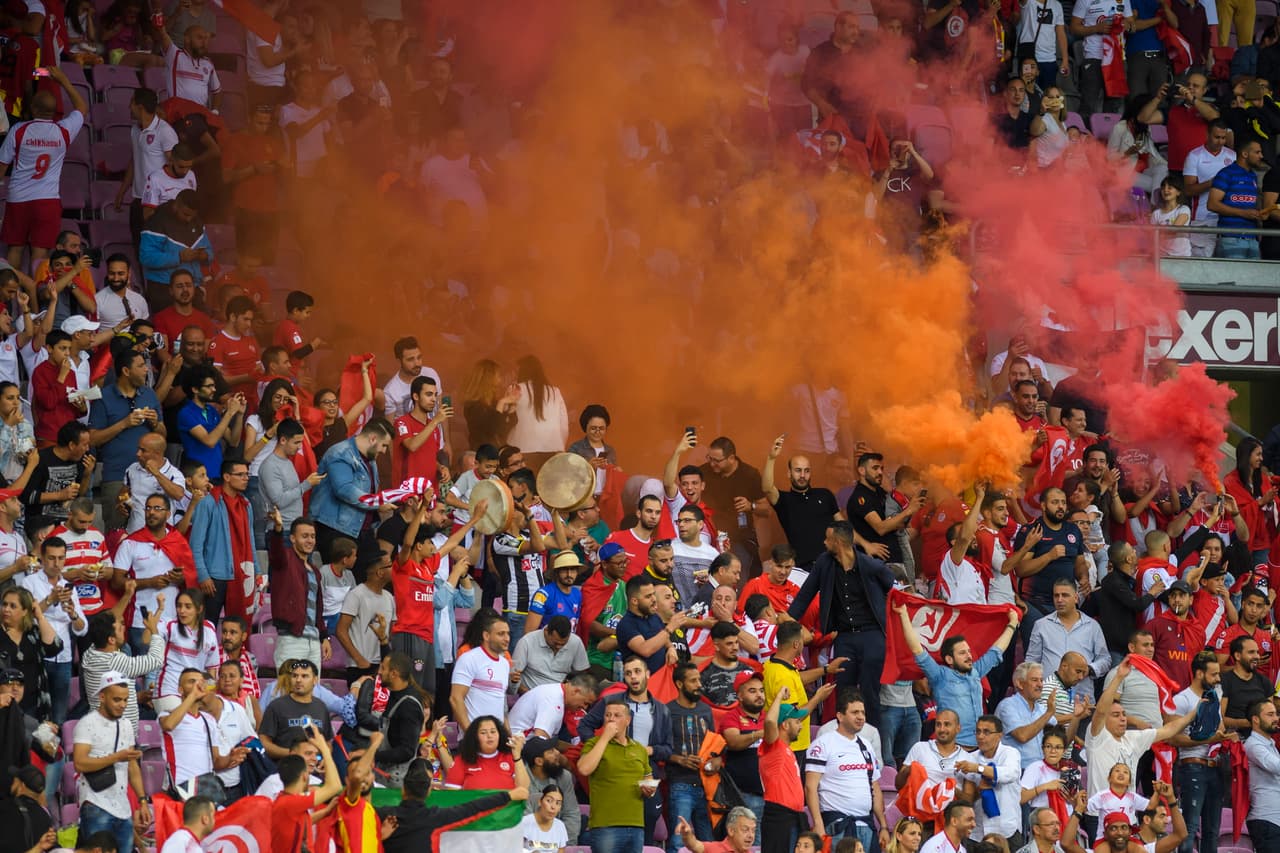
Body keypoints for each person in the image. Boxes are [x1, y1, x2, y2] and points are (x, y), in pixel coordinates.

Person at [789, 521, 893, 725]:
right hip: (844, 636)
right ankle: (843, 734)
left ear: (837, 542)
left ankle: (872, 739)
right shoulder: (824, 563)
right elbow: (806, 594)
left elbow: (893, 587)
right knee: (844, 689)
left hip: (872, 634)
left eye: (828, 539)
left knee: (870, 691)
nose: (824, 542)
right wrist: (788, 620)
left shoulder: (871, 566)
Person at [1084, 659, 1201, 830]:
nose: (1123, 718)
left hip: (1129, 819)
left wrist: (1194, 713)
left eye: (1124, 714)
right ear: (1105, 720)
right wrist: (1118, 677)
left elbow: (1168, 730)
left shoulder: (1134, 738)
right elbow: (1101, 710)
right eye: (1116, 715)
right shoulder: (1097, 737)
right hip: (1100, 817)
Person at [895, 599, 1019, 748]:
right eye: (962, 653)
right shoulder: (939, 675)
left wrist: (1012, 624)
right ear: (949, 659)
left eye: (968, 651)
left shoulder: (976, 671)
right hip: (954, 747)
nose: (969, 656)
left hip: (979, 748)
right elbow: (917, 649)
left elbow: (997, 650)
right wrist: (903, 615)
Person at [0, 66, 87, 271]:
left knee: (15, 248)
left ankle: (10, 298)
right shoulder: (63, 131)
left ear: (33, 108)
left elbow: (2, 167)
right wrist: (64, 81)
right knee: (40, 255)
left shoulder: (19, 130)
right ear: (53, 110)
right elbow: (82, 108)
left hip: (18, 198)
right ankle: (37, 300)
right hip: (47, 200)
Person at [73, 670, 152, 853]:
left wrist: (142, 801)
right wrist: (117, 757)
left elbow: (132, 766)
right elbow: (80, 763)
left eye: (125, 700)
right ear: (102, 696)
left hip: (123, 807)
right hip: (95, 803)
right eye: (117, 700)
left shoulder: (126, 724)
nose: (122, 705)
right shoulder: (87, 724)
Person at [379, 757, 528, 853]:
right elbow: (474, 807)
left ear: (403, 789)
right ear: (429, 791)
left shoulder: (383, 816)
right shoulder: (435, 818)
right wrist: (509, 795)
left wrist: (379, 836)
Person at [88, 348, 164, 531]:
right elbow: (92, 438)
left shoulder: (149, 394)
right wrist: (124, 423)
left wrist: (155, 423)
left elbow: (163, 435)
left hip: (150, 477)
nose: (146, 370)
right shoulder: (104, 397)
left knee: (151, 535)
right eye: (140, 366)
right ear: (126, 371)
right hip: (117, 477)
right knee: (117, 535)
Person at [805, 690, 889, 851]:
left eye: (863, 712)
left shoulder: (866, 745)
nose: (860, 717)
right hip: (837, 825)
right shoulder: (823, 744)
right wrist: (818, 824)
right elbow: (810, 787)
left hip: (866, 824)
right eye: (854, 712)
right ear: (840, 716)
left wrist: (883, 826)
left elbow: (875, 788)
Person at [17, 535, 86, 722]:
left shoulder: (67, 586)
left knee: (60, 714)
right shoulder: (29, 583)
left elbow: (82, 628)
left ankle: (58, 750)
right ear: (41, 557)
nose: (57, 563)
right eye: (52, 558)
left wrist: (73, 614)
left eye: (61, 558)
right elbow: (24, 618)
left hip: (63, 658)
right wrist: (50, 600)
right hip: (38, 656)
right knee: (34, 711)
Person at [310, 418, 393, 563]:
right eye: (384, 445)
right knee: (343, 582)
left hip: (361, 530)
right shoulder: (340, 453)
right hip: (337, 531)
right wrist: (377, 503)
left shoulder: (370, 457)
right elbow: (343, 489)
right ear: (373, 438)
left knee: (377, 571)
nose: (384, 451)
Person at [188, 458, 260, 624]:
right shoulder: (208, 503)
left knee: (237, 625)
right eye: (240, 474)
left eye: (247, 475)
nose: (246, 478)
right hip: (214, 576)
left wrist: (256, 570)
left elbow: (251, 540)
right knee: (207, 625)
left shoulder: (246, 504)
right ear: (227, 477)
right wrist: (203, 575)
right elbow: (196, 544)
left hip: (241, 573)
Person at [579, 696, 654, 853]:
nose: (611, 719)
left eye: (617, 715)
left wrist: (649, 789)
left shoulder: (639, 749)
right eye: (607, 715)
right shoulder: (594, 744)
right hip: (605, 826)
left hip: (636, 825)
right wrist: (605, 737)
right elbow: (584, 769)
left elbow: (648, 777)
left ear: (628, 720)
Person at [763, 436, 841, 570]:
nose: (803, 475)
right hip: (803, 569)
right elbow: (767, 488)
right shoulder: (784, 500)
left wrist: (866, 545)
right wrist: (771, 458)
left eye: (807, 471)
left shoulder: (825, 494)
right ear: (789, 473)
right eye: (798, 470)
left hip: (833, 563)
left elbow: (843, 527)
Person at [1028, 577, 1110, 701]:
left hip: (1082, 698)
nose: (1059, 600)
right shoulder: (1041, 625)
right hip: (1048, 699)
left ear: (1076, 598)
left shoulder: (1092, 626)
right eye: (1056, 596)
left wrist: (1090, 669)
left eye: (1065, 595)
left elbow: (1105, 659)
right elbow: (1031, 662)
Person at [81, 607, 164, 729]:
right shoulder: (115, 661)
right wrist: (154, 630)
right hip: (118, 731)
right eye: (120, 628)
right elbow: (156, 660)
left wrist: (136, 696)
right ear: (111, 639)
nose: (124, 629)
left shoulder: (90, 653)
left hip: (99, 726)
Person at [160, 668, 243, 786]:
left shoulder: (208, 719)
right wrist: (193, 696)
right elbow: (168, 725)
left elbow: (216, 761)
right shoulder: (167, 714)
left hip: (204, 788)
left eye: (200, 682)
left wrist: (229, 758)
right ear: (180, 689)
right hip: (178, 787)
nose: (197, 686)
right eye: (191, 682)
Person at [270, 722, 345, 853]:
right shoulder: (292, 802)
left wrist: (326, 811)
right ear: (305, 776)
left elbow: (302, 822)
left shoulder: (285, 800)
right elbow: (335, 786)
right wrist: (325, 749)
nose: (314, 759)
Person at [761, 686, 812, 853]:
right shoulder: (773, 747)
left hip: (794, 817)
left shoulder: (786, 749)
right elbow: (769, 721)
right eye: (796, 721)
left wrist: (818, 697)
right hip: (779, 816)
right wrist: (779, 697)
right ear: (784, 724)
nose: (801, 726)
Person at [959, 716, 1023, 846]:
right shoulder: (971, 758)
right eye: (978, 731)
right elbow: (967, 800)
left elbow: (1010, 774)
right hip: (978, 832)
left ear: (999, 735)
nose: (981, 736)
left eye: (986, 732)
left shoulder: (1010, 753)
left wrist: (978, 769)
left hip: (1007, 830)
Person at [335, 546, 394, 682]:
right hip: (360, 666)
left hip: (382, 667)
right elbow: (341, 630)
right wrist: (359, 659)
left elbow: (391, 632)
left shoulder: (389, 597)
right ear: (380, 572)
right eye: (390, 565)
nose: (393, 568)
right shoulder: (356, 595)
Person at [450, 610, 511, 729]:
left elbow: (499, 705)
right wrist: (470, 734)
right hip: (474, 735)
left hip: (496, 737)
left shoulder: (504, 664)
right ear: (486, 636)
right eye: (501, 634)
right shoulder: (469, 658)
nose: (507, 638)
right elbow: (455, 698)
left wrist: (508, 736)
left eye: (508, 634)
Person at [258, 659, 330, 759]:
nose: (298, 680)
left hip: (315, 771)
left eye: (304, 676)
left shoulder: (321, 707)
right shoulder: (277, 706)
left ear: (315, 680)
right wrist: (292, 754)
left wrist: (326, 758)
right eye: (295, 676)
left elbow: (328, 742)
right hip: (285, 769)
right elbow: (263, 741)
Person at [996, 662, 1057, 770]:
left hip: (1041, 770)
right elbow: (1022, 736)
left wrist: (1076, 717)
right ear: (1019, 683)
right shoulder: (1007, 706)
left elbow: (1058, 738)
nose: (1040, 685)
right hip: (1016, 772)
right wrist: (1048, 713)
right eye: (1034, 680)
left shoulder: (1041, 709)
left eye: (1041, 680)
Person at [522, 736, 581, 845]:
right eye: (551, 751)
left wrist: (566, 845)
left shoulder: (564, 777)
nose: (557, 753)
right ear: (539, 761)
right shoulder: (522, 780)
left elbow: (571, 813)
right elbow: (526, 821)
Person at [511, 615, 589, 693]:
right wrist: (530, 694)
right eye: (555, 643)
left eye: (563, 644)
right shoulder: (527, 642)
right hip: (532, 693)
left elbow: (582, 674)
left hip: (563, 695)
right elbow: (513, 676)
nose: (559, 647)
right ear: (546, 631)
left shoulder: (576, 642)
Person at [674, 806, 758, 853]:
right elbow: (694, 845)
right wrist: (687, 835)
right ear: (731, 831)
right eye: (745, 829)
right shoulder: (714, 849)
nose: (751, 835)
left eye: (753, 830)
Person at [521, 787, 570, 853]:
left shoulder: (560, 826)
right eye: (549, 801)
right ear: (540, 802)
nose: (553, 807)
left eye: (558, 803)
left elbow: (561, 850)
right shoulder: (525, 822)